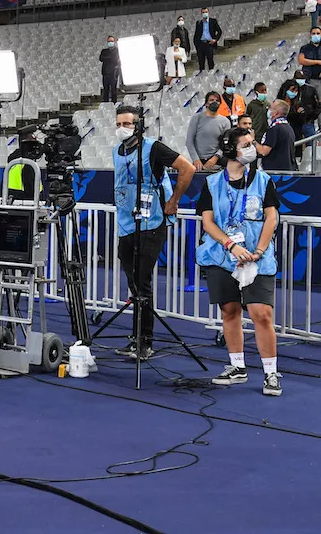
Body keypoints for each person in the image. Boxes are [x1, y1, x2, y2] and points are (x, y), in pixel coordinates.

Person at [196, 127, 281, 395]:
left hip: (257, 257)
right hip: (223, 257)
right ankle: (237, 366)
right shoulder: (211, 184)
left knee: (261, 313)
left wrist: (259, 249)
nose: (252, 148)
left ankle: (270, 372)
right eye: (246, 144)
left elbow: (272, 217)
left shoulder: (263, 180)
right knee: (229, 311)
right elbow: (208, 222)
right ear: (231, 149)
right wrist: (230, 245)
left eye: (252, 143)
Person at [113, 106, 196, 359]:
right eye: (118, 123)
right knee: (133, 283)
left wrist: (173, 201)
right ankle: (136, 337)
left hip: (150, 223)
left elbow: (188, 168)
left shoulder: (154, 148)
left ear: (138, 125)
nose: (121, 128)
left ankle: (145, 341)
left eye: (127, 124)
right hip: (126, 223)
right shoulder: (117, 150)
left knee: (142, 283)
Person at [185, 91, 230, 170]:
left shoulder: (225, 121)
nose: (214, 102)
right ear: (206, 103)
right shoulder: (197, 118)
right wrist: (196, 159)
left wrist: (216, 157)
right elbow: (189, 141)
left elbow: (226, 144)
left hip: (217, 162)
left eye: (217, 101)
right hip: (199, 162)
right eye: (211, 100)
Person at [258, 99, 297, 171]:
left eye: (271, 108)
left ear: (275, 113)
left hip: (275, 172)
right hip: (287, 169)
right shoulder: (288, 127)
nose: (269, 110)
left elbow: (264, 151)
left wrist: (252, 140)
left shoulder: (275, 129)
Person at [99, 35, 120, 103]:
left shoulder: (117, 50)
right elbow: (101, 58)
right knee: (106, 90)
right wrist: (109, 57)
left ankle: (114, 104)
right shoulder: (104, 51)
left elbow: (115, 59)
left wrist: (107, 58)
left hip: (113, 73)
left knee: (113, 90)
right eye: (109, 41)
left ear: (114, 42)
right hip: (105, 73)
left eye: (111, 41)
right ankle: (106, 104)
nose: (110, 42)